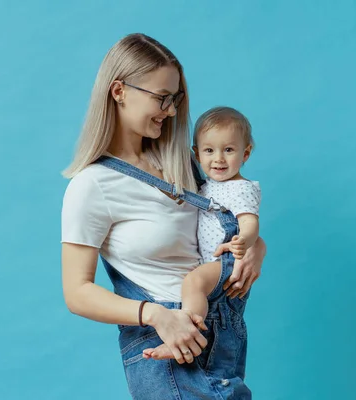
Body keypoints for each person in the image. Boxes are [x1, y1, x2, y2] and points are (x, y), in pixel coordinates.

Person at [61, 33, 266, 399]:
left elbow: (224, 217)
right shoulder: (92, 184)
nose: (171, 111)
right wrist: (155, 315)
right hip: (166, 342)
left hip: (221, 331)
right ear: (119, 90)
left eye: (175, 99)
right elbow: (77, 293)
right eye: (162, 98)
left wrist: (257, 247)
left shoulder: (183, 164)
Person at [142, 106, 261, 362]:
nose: (218, 159)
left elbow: (250, 222)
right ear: (196, 154)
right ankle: (189, 336)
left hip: (226, 259)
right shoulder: (206, 186)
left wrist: (244, 243)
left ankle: (185, 333)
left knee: (193, 283)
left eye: (228, 150)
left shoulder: (240, 188)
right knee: (198, 291)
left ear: (246, 153)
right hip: (211, 262)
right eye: (209, 150)